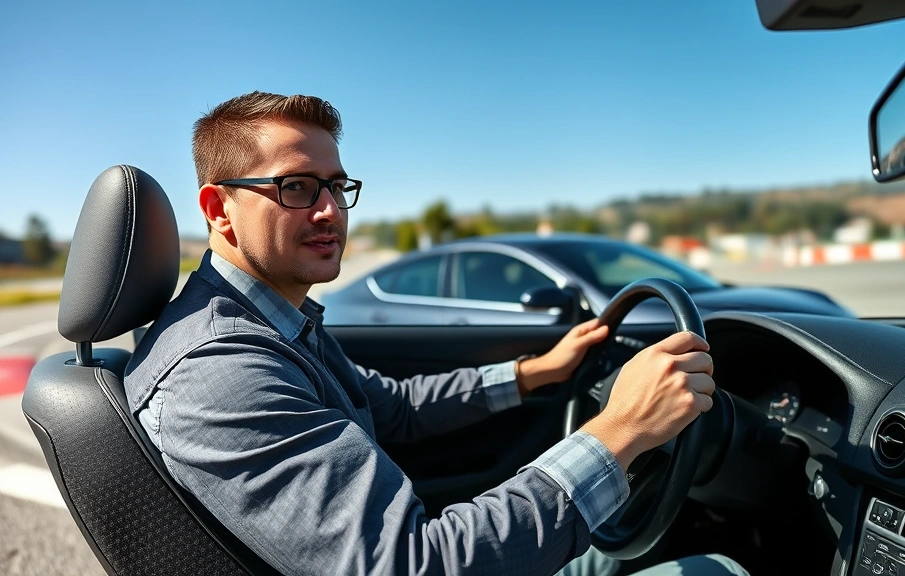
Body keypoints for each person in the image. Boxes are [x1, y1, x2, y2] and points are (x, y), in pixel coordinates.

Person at [124, 91, 748, 576]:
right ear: (217, 208)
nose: (329, 210)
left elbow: (392, 410)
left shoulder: (273, 325)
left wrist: (537, 372)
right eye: (296, 187)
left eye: (338, 187)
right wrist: (622, 430)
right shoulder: (220, 370)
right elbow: (417, 564)